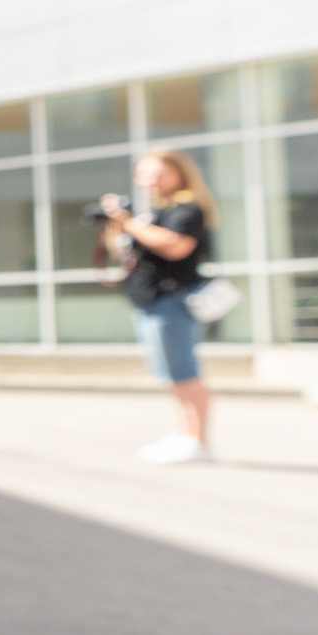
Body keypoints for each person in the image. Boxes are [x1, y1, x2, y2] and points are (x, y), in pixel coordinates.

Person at [103, 147, 217, 465]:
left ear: (179, 172)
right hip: (151, 303)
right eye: (144, 174)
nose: (150, 180)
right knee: (172, 375)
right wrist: (118, 225)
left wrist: (129, 222)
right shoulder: (152, 213)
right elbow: (123, 253)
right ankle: (185, 436)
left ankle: (199, 442)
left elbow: (174, 246)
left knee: (186, 373)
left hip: (172, 302)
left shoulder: (188, 209)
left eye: (157, 173)